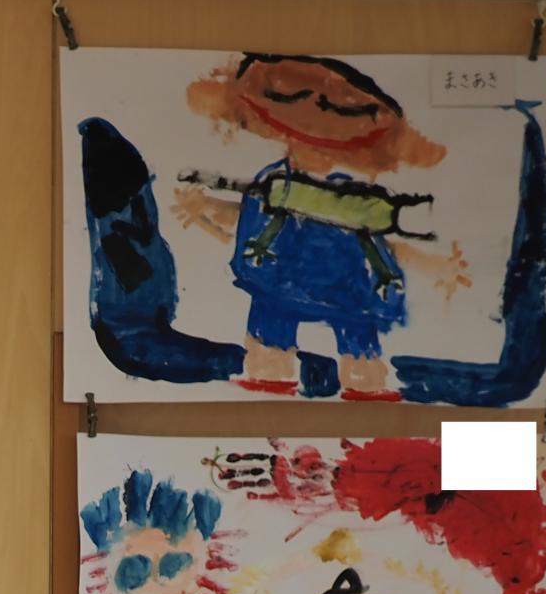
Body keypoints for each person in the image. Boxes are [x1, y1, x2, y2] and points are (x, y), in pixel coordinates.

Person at [173, 53, 470, 398]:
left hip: (339, 286)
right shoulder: (277, 183)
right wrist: (207, 207)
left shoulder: (353, 198)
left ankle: (359, 389)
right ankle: (274, 389)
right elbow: (247, 216)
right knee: (274, 342)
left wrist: (433, 265)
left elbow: (384, 245)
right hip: (287, 282)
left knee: (352, 349)